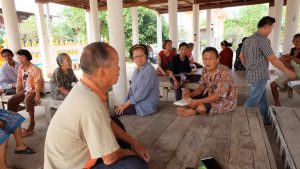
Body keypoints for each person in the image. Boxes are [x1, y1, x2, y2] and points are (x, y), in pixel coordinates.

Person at [44, 42, 149, 169]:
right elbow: (110, 158)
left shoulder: (86, 88)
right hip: (75, 165)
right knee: (136, 165)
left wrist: (134, 142)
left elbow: (107, 121)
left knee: (115, 122)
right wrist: (129, 154)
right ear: (102, 72)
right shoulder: (91, 104)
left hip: (79, 154)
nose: (119, 68)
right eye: (116, 64)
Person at [240, 16, 296, 125]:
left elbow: (242, 56)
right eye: (271, 28)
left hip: (251, 74)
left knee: (262, 99)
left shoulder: (248, 39)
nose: (271, 31)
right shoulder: (263, 40)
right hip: (260, 75)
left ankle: (266, 120)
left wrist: (248, 67)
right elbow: (273, 59)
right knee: (253, 99)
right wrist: (287, 71)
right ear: (266, 26)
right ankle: (240, 118)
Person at [177, 47, 237, 116]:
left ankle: (194, 111)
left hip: (225, 100)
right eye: (205, 59)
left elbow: (218, 96)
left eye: (210, 59)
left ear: (217, 60)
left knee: (200, 108)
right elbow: (201, 87)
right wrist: (190, 95)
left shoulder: (225, 72)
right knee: (188, 100)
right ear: (202, 59)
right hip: (210, 94)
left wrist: (197, 101)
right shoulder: (205, 70)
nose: (207, 61)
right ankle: (192, 109)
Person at [7, 49, 44, 136]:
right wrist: (17, 93)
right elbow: (19, 80)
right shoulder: (20, 68)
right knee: (11, 101)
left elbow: (38, 83)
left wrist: (37, 95)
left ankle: (31, 125)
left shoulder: (35, 68)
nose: (20, 60)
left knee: (28, 100)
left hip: (36, 90)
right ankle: (13, 123)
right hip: (27, 90)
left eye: (21, 58)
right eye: (18, 58)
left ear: (27, 57)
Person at [115, 44, 159, 117]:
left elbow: (142, 92)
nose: (139, 58)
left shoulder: (149, 70)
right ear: (133, 58)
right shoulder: (137, 69)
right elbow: (132, 89)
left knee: (116, 113)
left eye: (142, 56)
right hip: (137, 102)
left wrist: (125, 104)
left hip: (146, 104)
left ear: (146, 56)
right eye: (136, 56)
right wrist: (125, 102)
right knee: (117, 110)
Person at [270, 33, 300, 106]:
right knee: (273, 85)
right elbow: (290, 64)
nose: (296, 43)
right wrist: (283, 59)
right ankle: (277, 103)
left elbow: (297, 61)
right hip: (293, 72)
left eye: (298, 41)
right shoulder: (293, 50)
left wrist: (290, 57)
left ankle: (289, 86)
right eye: (295, 41)